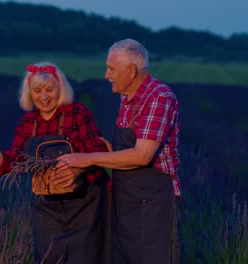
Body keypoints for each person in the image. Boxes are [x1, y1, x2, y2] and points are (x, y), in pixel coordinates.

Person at [0, 62, 109, 263]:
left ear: (60, 89)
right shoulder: (27, 124)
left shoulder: (77, 113)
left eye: (50, 90)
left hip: (85, 204)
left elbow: (98, 151)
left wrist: (77, 170)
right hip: (47, 206)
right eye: (37, 91)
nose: (44, 96)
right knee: (49, 257)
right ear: (30, 93)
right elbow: (13, 164)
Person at [55, 39, 181, 264]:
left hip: (152, 200)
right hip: (126, 194)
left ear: (131, 70)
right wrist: (99, 149)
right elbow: (126, 149)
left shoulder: (159, 98)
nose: (106, 75)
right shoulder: (126, 96)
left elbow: (142, 156)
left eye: (112, 69)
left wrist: (86, 158)